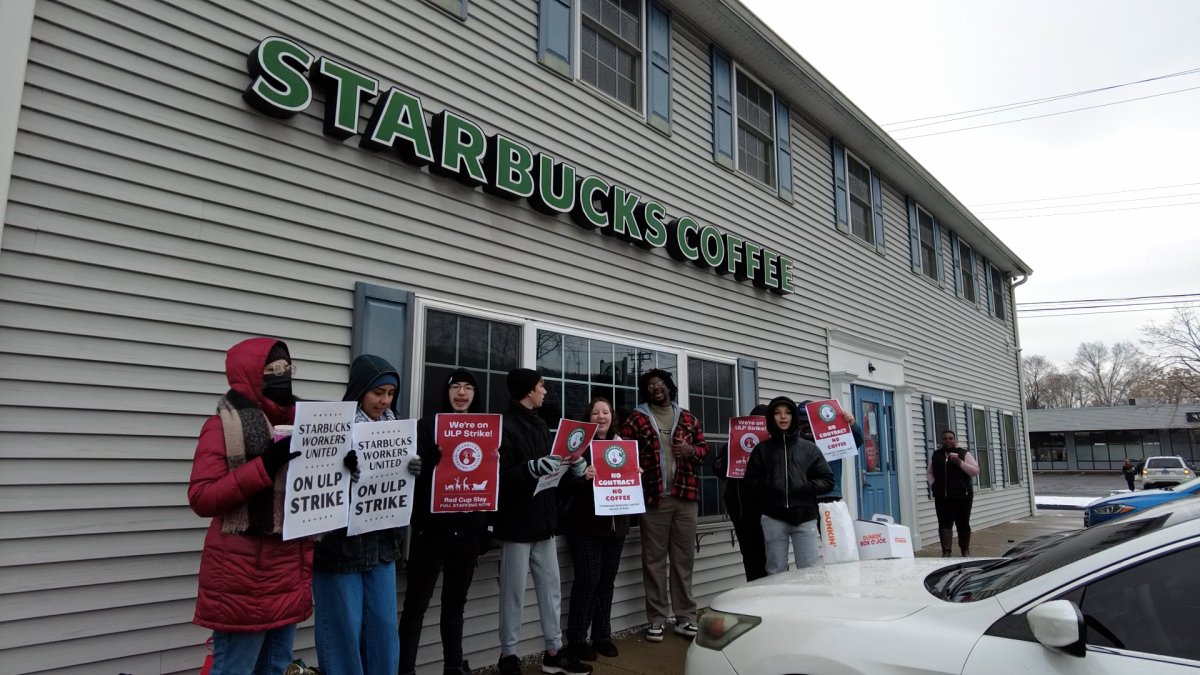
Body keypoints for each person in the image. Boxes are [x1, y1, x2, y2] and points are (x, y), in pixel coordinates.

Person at [188, 337, 312, 675]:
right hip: (241, 579)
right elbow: (203, 497)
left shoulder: (305, 424)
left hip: (287, 570)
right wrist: (264, 466)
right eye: (272, 370)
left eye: (287, 368)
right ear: (249, 375)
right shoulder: (221, 427)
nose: (282, 376)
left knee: (275, 668)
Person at [311, 354, 420, 675]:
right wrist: (338, 468)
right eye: (378, 393)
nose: (385, 401)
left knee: (384, 629)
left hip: (382, 547)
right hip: (340, 549)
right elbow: (314, 482)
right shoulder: (334, 429)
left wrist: (413, 470)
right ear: (360, 390)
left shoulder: (396, 430)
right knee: (342, 631)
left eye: (390, 394)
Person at [494, 368, 592, 675]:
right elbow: (500, 479)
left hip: (546, 522)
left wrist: (573, 470)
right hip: (517, 525)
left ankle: (554, 652)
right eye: (541, 386)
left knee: (551, 590)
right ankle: (508, 656)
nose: (545, 391)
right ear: (527, 390)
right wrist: (531, 467)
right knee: (513, 593)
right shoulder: (505, 426)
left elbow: (551, 477)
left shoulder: (540, 425)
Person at [399, 369, 489, 675]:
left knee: (454, 605)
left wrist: (484, 526)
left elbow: (491, 483)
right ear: (446, 392)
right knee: (416, 606)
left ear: (475, 395)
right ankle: (405, 669)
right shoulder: (428, 427)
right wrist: (419, 467)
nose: (462, 393)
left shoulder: (486, 431)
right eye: (456, 388)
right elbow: (414, 479)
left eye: (468, 388)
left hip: (467, 532)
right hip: (431, 531)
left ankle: (453, 667)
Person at [619, 369, 707, 642]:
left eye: (660, 384)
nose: (656, 388)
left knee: (683, 561)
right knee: (653, 561)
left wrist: (691, 451)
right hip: (653, 499)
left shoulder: (689, 418)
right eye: (650, 385)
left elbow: (704, 451)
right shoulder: (637, 418)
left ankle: (685, 618)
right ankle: (656, 619)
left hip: (685, 498)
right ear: (646, 392)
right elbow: (622, 454)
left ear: (669, 387)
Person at [563, 397, 630, 661]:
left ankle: (602, 635)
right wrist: (581, 477)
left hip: (616, 526)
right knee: (587, 581)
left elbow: (629, 485)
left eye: (605, 412)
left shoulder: (623, 446)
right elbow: (561, 487)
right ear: (587, 417)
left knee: (606, 582)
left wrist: (634, 474)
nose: (601, 416)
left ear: (612, 416)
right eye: (595, 412)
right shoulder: (578, 445)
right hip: (584, 525)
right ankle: (577, 639)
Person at [743, 396, 835, 575]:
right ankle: (779, 604)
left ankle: (808, 604)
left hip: (805, 517)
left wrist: (806, 486)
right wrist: (769, 485)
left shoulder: (810, 449)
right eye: (777, 413)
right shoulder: (762, 450)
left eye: (787, 412)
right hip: (773, 517)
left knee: (809, 571)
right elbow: (749, 483)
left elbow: (828, 480)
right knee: (775, 570)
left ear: (794, 417)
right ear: (771, 418)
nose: (783, 417)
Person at [712, 403, 769, 582]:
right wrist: (733, 453)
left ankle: (777, 597)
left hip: (771, 509)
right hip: (742, 508)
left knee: (774, 555)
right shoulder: (735, 442)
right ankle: (755, 596)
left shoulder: (775, 445)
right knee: (751, 555)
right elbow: (719, 469)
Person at [926, 430, 980, 556]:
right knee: (944, 523)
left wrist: (960, 463)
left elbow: (975, 471)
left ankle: (965, 550)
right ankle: (946, 551)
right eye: (945, 439)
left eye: (950, 438)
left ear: (955, 440)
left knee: (963, 522)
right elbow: (929, 472)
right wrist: (934, 485)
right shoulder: (937, 455)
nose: (948, 441)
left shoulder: (963, 453)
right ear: (942, 440)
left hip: (962, 495)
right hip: (942, 496)